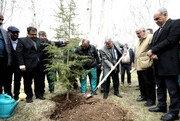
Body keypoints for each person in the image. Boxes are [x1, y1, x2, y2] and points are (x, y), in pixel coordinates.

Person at [147, 8, 180, 121]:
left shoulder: (175, 23)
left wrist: (154, 50)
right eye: (154, 19)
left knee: (172, 89)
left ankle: (174, 112)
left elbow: (171, 40)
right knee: (160, 87)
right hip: (157, 64)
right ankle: (161, 105)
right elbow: (152, 46)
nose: (156, 21)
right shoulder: (156, 32)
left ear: (165, 15)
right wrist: (152, 54)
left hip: (169, 64)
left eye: (158, 18)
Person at [16, 27, 46, 103]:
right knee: (27, 81)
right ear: (28, 33)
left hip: (39, 65)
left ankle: (39, 94)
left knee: (39, 80)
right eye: (32, 34)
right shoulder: (22, 40)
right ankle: (29, 96)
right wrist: (21, 65)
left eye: (35, 34)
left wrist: (62, 42)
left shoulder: (40, 40)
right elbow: (19, 53)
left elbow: (50, 43)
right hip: (28, 65)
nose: (34, 36)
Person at [134, 27, 156, 107]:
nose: (137, 35)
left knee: (149, 82)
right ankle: (143, 96)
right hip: (139, 64)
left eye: (138, 33)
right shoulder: (139, 40)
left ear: (144, 32)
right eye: (136, 33)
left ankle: (151, 99)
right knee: (141, 82)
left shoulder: (150, 37)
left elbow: (154, 47)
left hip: (146, 64)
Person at [7, 26, 23, 100]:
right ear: (9, 33)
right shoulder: (6, 41)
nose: (16, 34)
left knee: (17, 81)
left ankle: (16, 95)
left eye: (17, 33)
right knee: (8, 81)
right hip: (8, 65)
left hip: (18, 65)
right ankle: (9, 95)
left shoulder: (21, 41)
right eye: (13, 33)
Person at [0, 13, 12, 96]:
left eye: (2, 20)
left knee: (6, 81)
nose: (1, 21)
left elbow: (9, 47)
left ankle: (7, 98)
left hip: (3, 60)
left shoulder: (4, 32)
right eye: (0, 19)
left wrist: (9, 61)